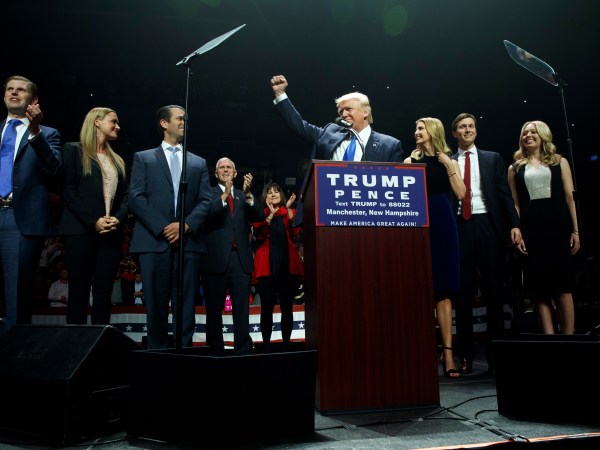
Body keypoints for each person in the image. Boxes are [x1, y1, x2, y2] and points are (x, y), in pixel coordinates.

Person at [129, 105, 212, 349]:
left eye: (186, 118)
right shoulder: (143, 157)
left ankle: (183, 359)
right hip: (154, 242)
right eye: (180, 118)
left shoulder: (198, 162)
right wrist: (166, 227)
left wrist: (185, 225)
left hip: (188, 243)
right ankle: (157, 359)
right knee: (155, 305)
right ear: (164, 123)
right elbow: (136, 196)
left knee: (185, 306)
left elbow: (206, 199)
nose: (185, 122)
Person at [269, 74, 403, 225]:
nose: (343, 114)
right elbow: (301, 126)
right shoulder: (329, 133)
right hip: (329, 212)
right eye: (341, 111)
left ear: (366, 112)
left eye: (348, 109)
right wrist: (280, 94)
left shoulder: (389, 145)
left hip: (370, 217)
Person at [450, 113, 521, 375]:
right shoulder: (449, 160)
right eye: (462, 127)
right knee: (464, 294)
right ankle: (465, 356)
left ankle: (496, 356)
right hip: (460, 227)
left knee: (494, 293)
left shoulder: (492, 158)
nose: (467, 130)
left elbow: (504, 194)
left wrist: (514, 224)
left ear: (476, 131)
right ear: (455, 133)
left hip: (489, 226)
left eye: (471, 126)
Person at [403, 118, 465, 378]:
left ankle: (448, 353)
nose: (416, 132)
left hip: (443, 223)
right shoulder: (409, 162)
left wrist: (449, 166)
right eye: (415, 128)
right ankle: (422, 352)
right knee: (420, 288)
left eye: (420, 128)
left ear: (433, 132)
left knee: (444, 290)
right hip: (418, 222)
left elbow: (461, 194)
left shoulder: (448, 159)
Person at [0, 75, 62, 336]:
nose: (14, 93)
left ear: (33, 100)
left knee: (16, 294)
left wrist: (35, 132)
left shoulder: (47, 133)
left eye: (21, 90)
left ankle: (11, 362)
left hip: (19, 218)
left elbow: (54, 170)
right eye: (10, 89)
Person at [508, 120, 580, 335]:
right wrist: (517, 230)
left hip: (558, 227)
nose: (528, 135)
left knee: (563, 289)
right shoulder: (515, 167)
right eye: (524, 133)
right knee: (541, 290)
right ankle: (549, 341)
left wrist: (576, 231)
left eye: (533, 132)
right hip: (531, 229)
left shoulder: (560, 161)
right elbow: (515, 203)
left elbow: (569, 197)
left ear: (543, 135)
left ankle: (569, 338)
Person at [59, 107, 129, 325]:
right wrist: (93, 221)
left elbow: (126, 197)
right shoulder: (73, 150)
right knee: (78, 290)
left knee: (103, 292)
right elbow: (68, 190)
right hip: (81, 230)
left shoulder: (117, 159)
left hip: (111, 232)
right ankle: (74, 346)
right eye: (113, 121)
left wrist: (118, 217)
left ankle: (100, 344)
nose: (118, 126)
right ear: (97, 122)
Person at [200, 157, 264, 355]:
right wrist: (224, 194)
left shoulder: (242, 196)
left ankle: (242, 350)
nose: (226, 170)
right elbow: (206, 214)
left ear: (236, 174)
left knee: (241, 308)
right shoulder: (207, 193)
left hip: (240, 260)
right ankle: (215, 351)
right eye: (222, 168)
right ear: (216, 173)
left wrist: (248, 194)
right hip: (215, 259)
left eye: (229, 168)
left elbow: (259, 216)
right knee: (214, 309)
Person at [252, 182, 304, 353]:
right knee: (266, 308)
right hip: (266, 267)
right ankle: (266, 346)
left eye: (276, 192)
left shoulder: (289, 212)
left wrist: (287, 210)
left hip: (287, 267)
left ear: (281, 196)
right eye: (269, 192)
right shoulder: (261, 213)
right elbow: (258, 234)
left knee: (287, 308)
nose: (273, 194)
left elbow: (296, 232)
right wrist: (270, 216)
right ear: (264, 197)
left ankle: (286, 345)